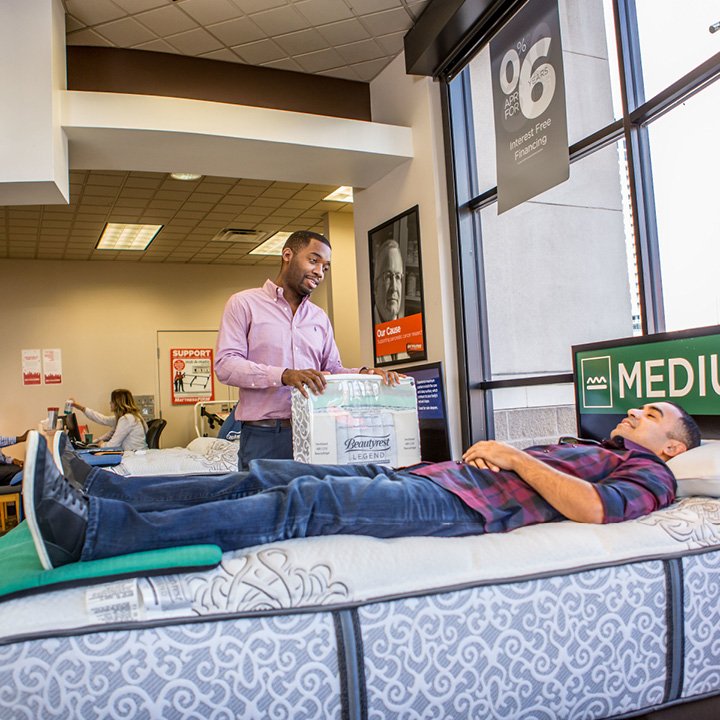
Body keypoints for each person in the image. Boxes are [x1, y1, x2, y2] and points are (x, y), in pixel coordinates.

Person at [24, 402, 700, 570]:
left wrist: (515, 458)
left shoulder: (651, 475)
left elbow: (594, 509)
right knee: (270, 473)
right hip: (432, 476)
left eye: (651, 414)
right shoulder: (593, 446)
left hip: (458, 506)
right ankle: (105, 494)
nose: (634, 413)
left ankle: (92, 533)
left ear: (673, 445)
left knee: (307, 504)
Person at [215, 230, 399, 469]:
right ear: (287, 255)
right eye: (313, 260)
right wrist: (284, 375)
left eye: (325, 267)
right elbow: (226, 365)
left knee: (318, 494)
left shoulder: (319, 318)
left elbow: (332, 370)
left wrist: (365, 374)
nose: (319, 272)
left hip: (318, 432)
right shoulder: (244, 304)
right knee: (265, 495)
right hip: (265, 437)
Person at [69, 389, 148, 451]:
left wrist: (101, 444)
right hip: (136, 454)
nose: (110, 403)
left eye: (112, 401)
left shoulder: (127, 419)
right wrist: (80, 408)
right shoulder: (131, 417)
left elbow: (112, 445)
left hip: (134, 457)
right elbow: (102, 419)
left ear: (118, 403)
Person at [373, 239, 405, 325]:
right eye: (388, 276)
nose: (394, 288)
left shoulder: (410, 327)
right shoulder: (364, 323)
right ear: (375, 286)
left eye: (397, 277)